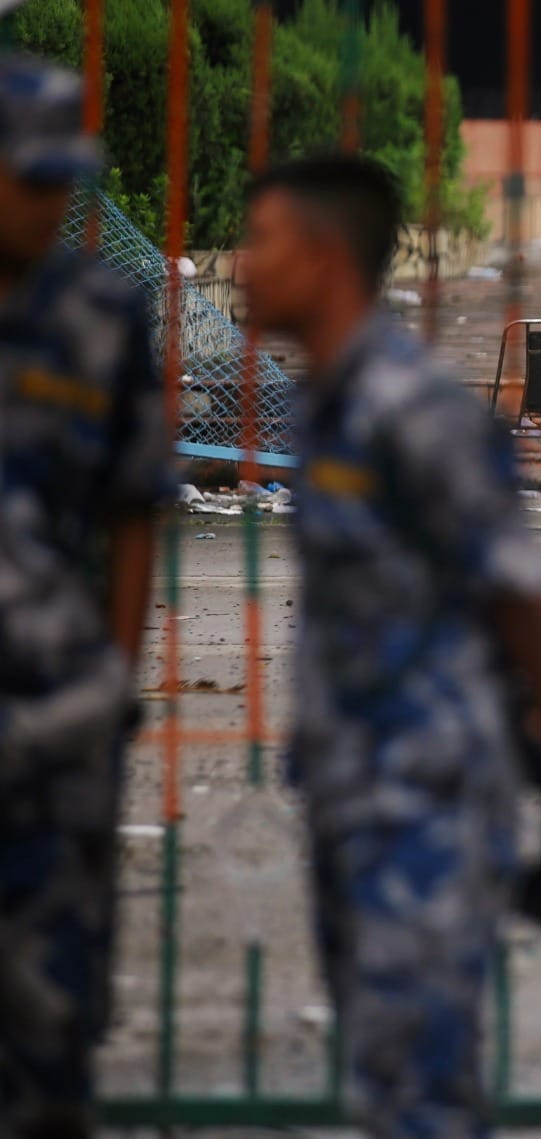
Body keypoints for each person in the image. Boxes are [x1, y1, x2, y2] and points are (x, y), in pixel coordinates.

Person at [238, 154, 541, 1139]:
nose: (240, 264)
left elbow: (521, 595)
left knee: (420, 1087)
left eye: (261, 240)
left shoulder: (416, 409)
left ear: (322, 257)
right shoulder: (326, 402)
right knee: (385, 1071)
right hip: (353, 780)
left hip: (430, 788)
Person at [0, 53, 166, 1139]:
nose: (53, 202)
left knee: (50, 1012)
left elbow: (134, 513)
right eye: (31, 178)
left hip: (56, 708)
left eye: (66, 179)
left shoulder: (101, 314)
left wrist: (113, 680)